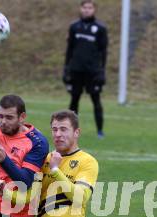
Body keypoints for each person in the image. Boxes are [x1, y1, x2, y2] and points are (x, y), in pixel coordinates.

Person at [63, 0, 108, 138]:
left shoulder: (100, 28)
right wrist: (66, 68)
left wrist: (101, 71)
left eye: (90, 7)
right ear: (80, 9)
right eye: (84, 7)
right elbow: (69, 49)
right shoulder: (74, 27)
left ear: (94, 9)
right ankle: (70, 130)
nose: (87, 10)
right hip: (76, 70)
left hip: (93, 72)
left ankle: (100, 131)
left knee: (96, 99)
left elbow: (103, 51)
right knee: (74, 100)